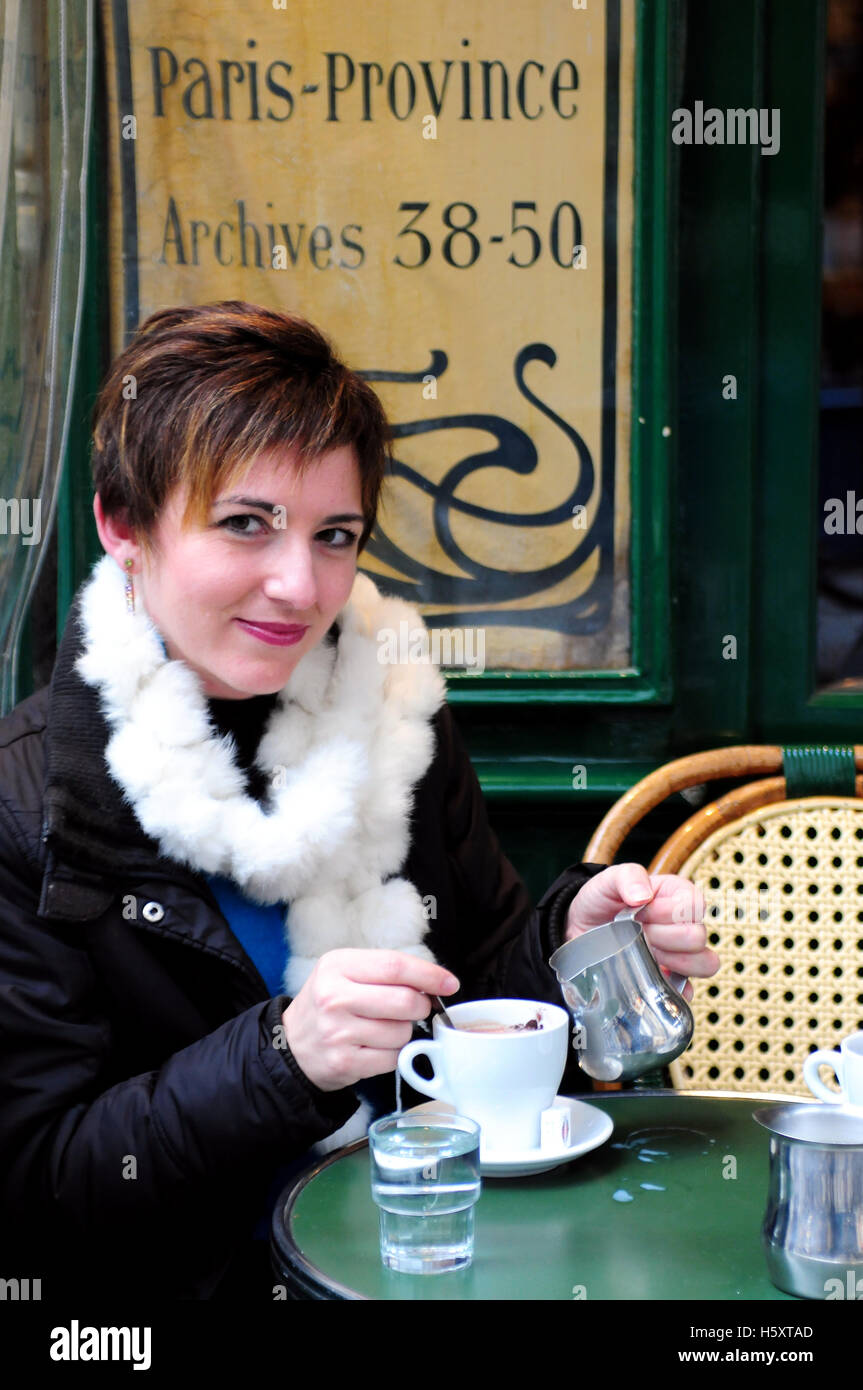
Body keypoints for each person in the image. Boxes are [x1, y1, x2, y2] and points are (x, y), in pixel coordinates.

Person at [0, 302, 718, 1301]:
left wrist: (568, 951)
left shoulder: (396, 724)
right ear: (124, 526)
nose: (299, 584)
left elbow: (466, 1010)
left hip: (435, 1266)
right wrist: (283, 1059)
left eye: (335, 535)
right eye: (246, 524)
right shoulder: (29, 800)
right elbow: (37, 1184)